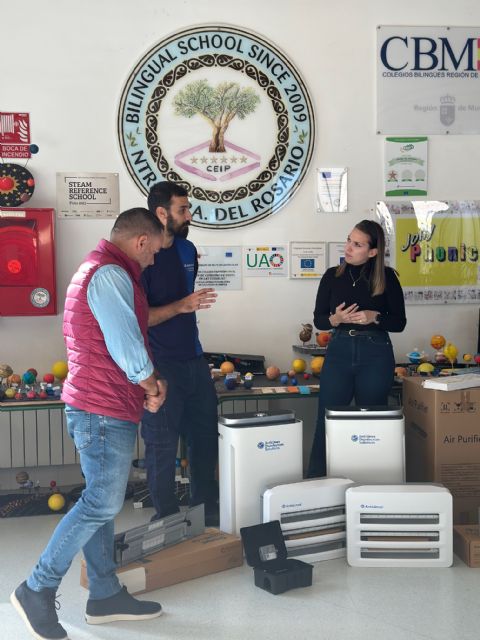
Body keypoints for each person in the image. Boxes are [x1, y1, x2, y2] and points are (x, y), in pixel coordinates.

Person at [10, 208, 167, 640]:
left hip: (101, 403)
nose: (153, 259)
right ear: (139, 242)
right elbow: (124, 341)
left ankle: (104, 593)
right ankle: (36, 588)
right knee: (101, 502)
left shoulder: (99, 270)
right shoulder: (111, 275)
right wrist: (150, 382)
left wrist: (143, 386)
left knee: (101, 502)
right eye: (153, 250)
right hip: (101, 408)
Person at [141, 181, 219, 525]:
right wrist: (181, 306)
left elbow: (187, 305)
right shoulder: (142, 258)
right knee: (161, 447)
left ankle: (207, 514)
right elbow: (139, 317)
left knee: (204, 441)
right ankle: (167, 521)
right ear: (162, 213)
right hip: (160, 365)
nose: (190, 215)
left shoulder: (188, 250)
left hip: (195, 361)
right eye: (183, 209)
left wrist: (185, 307)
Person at [307, 219, 406, 478]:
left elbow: (399, 322)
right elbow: (319, 319)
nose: (348, 247)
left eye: (357, 244)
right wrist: (335, 320)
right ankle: (317, 485)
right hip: (339, 349)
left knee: (371, 421)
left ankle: (370, 485)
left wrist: (375, 316)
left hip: (375, 352)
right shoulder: (332, 276)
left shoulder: (388, 279)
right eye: (349, 240)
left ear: (372, 251)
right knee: (327, 419)